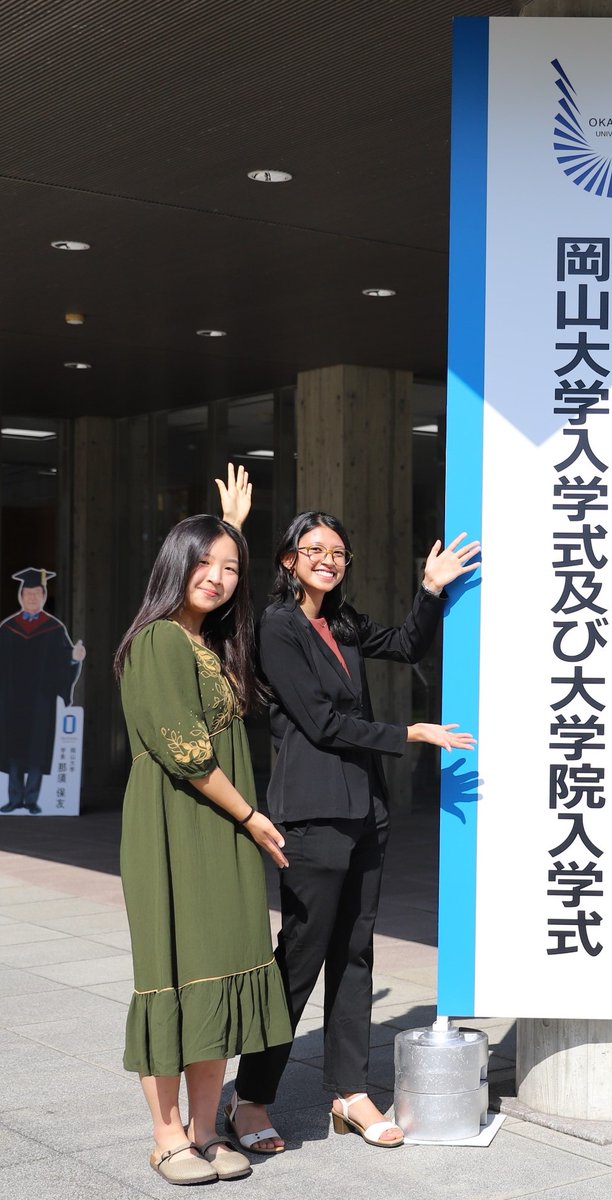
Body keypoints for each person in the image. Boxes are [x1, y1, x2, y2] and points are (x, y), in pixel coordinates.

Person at [228, 512, 480, 1152]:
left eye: (338, 552)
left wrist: (431, 589)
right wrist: (408, 733)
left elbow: (406, 645)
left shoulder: (341, 621)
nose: (328, 560)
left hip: (366, 807)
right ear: (289, 560)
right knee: (300, 957)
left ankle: (349, 1092)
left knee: (355, 953)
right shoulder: (278, 626)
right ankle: (251, 1098)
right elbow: (319, 722)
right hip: (312, 813)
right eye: (314, 549)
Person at [114, 465, 292, 1186]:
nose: (217, 578)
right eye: (203, 564)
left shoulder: (204, 641)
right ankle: (166, 1138)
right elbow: (186, 752)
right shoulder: (159, 640)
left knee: (218, 971)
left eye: (230, 569)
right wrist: (252, 816)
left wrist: (231, 534)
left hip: (217, 826)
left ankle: (205, 1128)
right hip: (176, 829)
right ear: (174, 565)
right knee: (174, 974)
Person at [0, 567, 86, 813]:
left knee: (37, 749)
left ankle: (32, 799)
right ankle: (14, 798)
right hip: (13, 701)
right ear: (21, 596)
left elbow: (64, 660)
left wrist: (74, 657)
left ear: (44, 596)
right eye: (28, 594)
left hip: (41, 701)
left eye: (36, 594)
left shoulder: (54, 628)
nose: (32, 598)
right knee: (14, 749)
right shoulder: (7, 628)